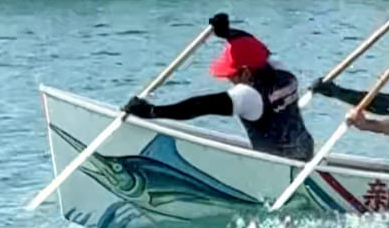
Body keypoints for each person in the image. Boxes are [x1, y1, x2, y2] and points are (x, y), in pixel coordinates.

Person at [124, 13, 313, 160]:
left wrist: (151, 111)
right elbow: (257, 47)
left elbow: (198, 106)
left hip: (278, 165)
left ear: (246, 72)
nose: (229, 79)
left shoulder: (248, 95)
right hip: (304, 152)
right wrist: (226, 33)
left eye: (231, 75)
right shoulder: (285, 74)